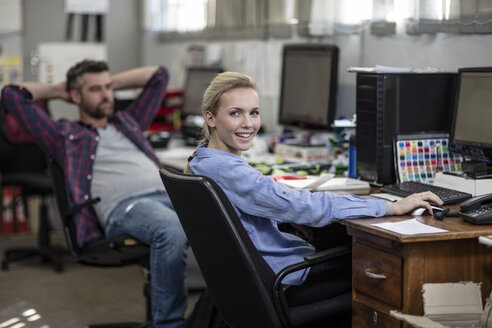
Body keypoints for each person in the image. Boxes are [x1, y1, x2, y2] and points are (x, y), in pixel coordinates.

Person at [185, 71, 442, 292]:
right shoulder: (229, 171)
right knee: (376, 258)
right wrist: (390, 207)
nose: (248, 124)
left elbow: (267, 202)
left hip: (252, 280)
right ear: (210, 118)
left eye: (254, 113)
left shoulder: (201, 160)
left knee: (334, 235)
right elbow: (306, 207)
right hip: (282, 277)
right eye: (235, 113)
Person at [1, 60, 188, 328]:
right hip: (128, 207)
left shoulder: (128, 121)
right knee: (171, 230)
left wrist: (107, 83)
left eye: (108, 88)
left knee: (229, 215)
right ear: (75, 96)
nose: (106, 96)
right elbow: (11, 95)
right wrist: (58, 89)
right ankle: (169, 325)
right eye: (95, 90)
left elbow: (160, 76)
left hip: (170, 194)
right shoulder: (64, 136)